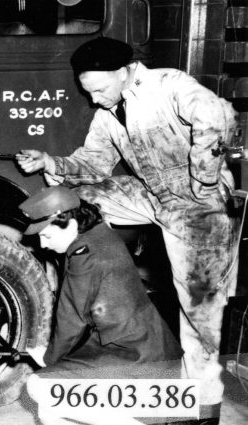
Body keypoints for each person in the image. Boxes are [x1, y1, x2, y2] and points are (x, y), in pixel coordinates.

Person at [17, 36, 240, 405]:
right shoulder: (108, 114)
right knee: (78, 197)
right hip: (153, 195)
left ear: (124, 72)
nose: (94, 100)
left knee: (199, 302)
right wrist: (48, 162)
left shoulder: (169, 85)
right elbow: (91, 165)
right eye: (88, 93)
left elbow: (217, 117)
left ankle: (202, 396)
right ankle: (94, 276)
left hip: (199, 204)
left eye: (99, 90)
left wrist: (203, 180)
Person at [20, 186, 182, 371]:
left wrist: (49, 359)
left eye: (46, 235)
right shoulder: (97, 231)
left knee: (39, 387)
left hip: (132, 352)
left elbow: (71, 318)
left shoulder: (85, 257)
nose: (43, 244)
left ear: (71, 225)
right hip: (150, 337)